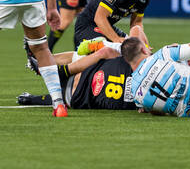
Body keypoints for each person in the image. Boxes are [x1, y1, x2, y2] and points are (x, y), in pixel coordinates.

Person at [19, 26, 147, 110]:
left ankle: (51, 68)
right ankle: (32, 97)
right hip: (76, 97)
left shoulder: (138, 61)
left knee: (102, 52)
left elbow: (136, 29)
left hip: (84, 77)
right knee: (66, 97)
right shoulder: (146, 98)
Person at [121, 37, 190, 117]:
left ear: (127, 60)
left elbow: (157, 111)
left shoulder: (135, 93)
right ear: (143, 50)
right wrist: (181, 48)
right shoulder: (161, 55)